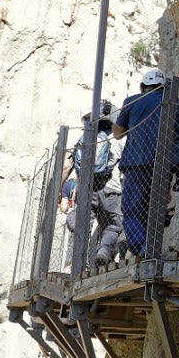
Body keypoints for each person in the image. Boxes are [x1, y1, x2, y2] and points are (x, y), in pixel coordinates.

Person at [112, 69, 179, 255]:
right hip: (165, 164)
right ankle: (152, 244)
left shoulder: (132, 101)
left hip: (136, 164)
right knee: (155, 209)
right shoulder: (178, 104)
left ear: (143, 86)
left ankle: (142, 247)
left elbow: (117, 133)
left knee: (132, 209)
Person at [60, 101, 122, 268]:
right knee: (113, 225)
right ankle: (104, 251)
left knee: (84, 221)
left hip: (86, 187)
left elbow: (67, 166)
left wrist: (60, 190)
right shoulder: (116, 138)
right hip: (111, 188)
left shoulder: (84, 138)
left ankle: (78, 263)